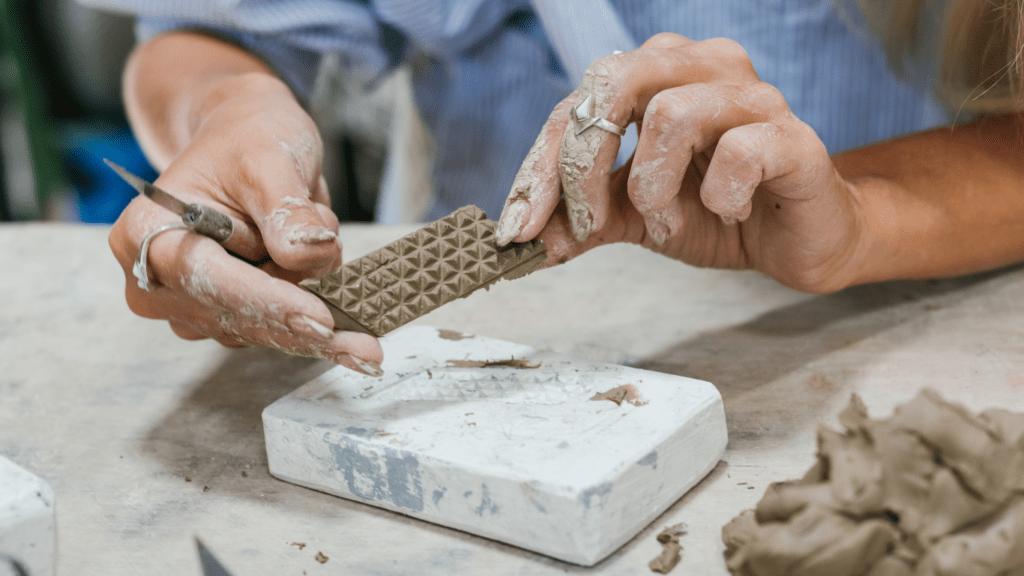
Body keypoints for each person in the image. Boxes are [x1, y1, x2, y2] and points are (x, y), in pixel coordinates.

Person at [85, 0, 1023, 375]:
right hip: (463, 348)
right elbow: (200, 34)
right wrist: (230, 108)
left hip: (922, 313)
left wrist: (862, 219)